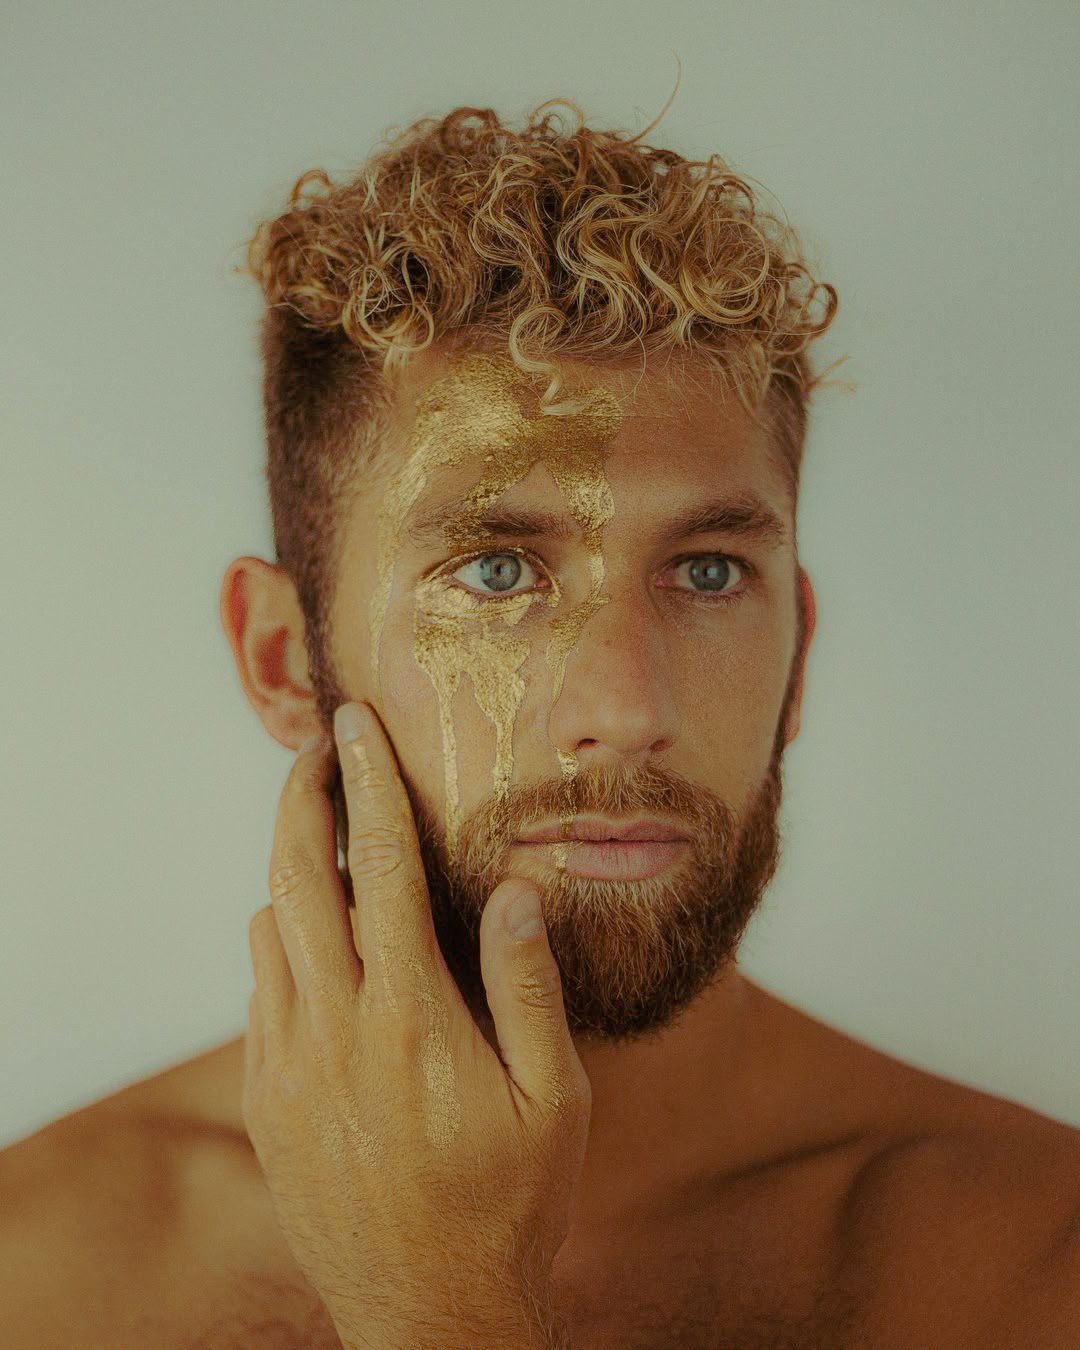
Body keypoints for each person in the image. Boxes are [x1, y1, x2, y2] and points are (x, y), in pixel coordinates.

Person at [2, 95, 1077, 1349]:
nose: (624, 711)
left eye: (711, 571)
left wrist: (441, 1312)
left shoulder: (1040, 1266)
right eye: (497, 574)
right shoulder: (41, 1274)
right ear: (287, 658)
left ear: (799, 655)